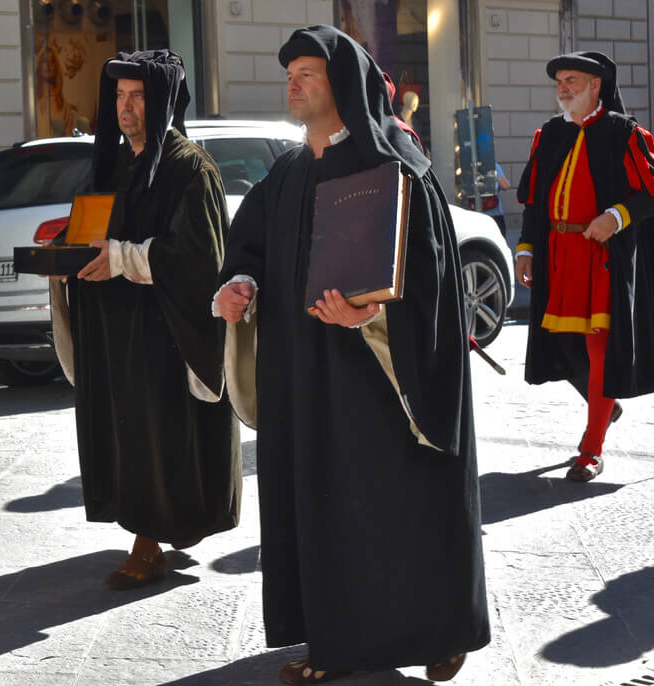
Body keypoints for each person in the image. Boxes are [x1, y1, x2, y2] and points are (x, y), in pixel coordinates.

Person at [214, 26, 489, 683]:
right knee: (324, 510)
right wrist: (238, 285)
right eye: (292, 74)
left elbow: (431, 280)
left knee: (398, 507)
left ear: (342, 85)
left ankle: (439, 629)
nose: (294, 83)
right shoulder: (285, 173)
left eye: (307, 73)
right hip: (306, 381)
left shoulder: (396, 166)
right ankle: (334, 639)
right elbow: (247, 247)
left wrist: (372, 314)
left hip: (381, 383)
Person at [49, 49, 241, 590]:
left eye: (137, 97)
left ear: (159, 103)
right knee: (127, 433)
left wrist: (125, 258)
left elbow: (200, 257)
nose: (125, 108)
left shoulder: (190, 168)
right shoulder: (111, 165)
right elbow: (90, 236)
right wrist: (64, 256)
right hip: (114, 331)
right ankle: (151, 528)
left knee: (158, 434)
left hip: (162, 334)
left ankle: (150, 540)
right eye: (118, 96)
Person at [515, 51, 654, 482]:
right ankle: (606, 406)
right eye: (559, 81)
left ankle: (591, 450)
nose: (563, 87)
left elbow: (649, 194)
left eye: (572, 80)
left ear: (596, 85)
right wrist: (525, 247)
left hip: (601, 258)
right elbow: (535, 199)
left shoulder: (624, 134)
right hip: (558, 255)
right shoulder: (549, 135)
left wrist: (616, 216)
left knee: (598, 350)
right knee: (564, 347)